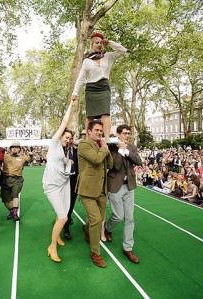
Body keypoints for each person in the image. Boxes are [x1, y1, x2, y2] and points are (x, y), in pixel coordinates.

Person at [71, 32, 127, 139]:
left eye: (101, 43)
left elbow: (123, 50)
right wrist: (75, 92)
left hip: (104, 88)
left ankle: (107, 139)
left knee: (105, 114)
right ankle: (88, 138)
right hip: (91, 89)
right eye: (97, 42)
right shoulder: (87, 61)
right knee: (90, 116)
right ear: (92, 45)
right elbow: (81, 78)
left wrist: (109, 42)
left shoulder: (108, 56)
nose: (100, 44)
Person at [42, 98, 76, 263]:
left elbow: (63, 162)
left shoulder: (63, 151)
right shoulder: (55, 143)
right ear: (61, 135)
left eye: (70, 138)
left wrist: (68, 162)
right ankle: (52, 246)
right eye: (66, 136)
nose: (68, 139)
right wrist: (71, 103)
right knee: (63, 217)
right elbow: (64, 121)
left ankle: (58, 238)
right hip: (52, 186)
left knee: (60, 213)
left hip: (63, 184)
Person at [76, 121, 113, 268]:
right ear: (89, 131)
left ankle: (86, 229)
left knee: (98, 219)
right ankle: (95, 253)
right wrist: (104, 148)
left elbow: (109, 165)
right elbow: (97, 160)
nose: (99, 132)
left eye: (101, 130)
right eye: (96, 130)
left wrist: (106, 150)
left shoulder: (100, 146)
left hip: (102, 190)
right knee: (97, 220)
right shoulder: (83, 144)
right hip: (87, 190)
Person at [104, 124, 142, 264]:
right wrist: (120, 150)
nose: (127, 135)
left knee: (130, 218)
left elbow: (138, 161)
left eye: (129, 133)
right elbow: (115, 166)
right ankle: (107, 228)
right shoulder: (112, 147)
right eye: (125, 133)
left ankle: (128, 248)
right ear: (118, 134)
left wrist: (126, 151)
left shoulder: (131, 147)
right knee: (118, 216)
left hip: (129, 186)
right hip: (115, 186)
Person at [1, 141, 32, 222]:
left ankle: (15, 214)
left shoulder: (23, 157)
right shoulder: (5, 156)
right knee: (5, 199)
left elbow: (29, 160)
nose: (14, 149)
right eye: (13, 147)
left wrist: (31, 155)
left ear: (19, 149)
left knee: (15, 196)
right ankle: (12, 211)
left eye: (16, 147)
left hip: (17, 179)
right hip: (6, 179)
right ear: (10, 149)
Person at [63, 133, 79, 240]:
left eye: (71, 138)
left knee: (71, 203)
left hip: (74, 180)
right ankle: (66, 227)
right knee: (64, 204)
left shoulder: (77, 151)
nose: (70, 140)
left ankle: (67, 221)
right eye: (68, 138)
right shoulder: (60, 150)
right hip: (62, 180)